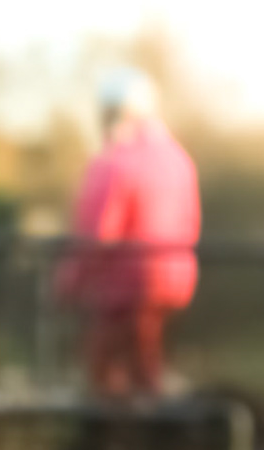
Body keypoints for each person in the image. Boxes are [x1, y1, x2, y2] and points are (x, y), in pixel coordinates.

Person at [55, 69, 202, 398]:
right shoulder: (179, 159)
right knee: (145, 364)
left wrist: (69, 280)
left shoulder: (113, 163)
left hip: (125, 285)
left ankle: (121, 441)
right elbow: (190, 222)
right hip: (170, 282)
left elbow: (97, 234)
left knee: (106, 373)